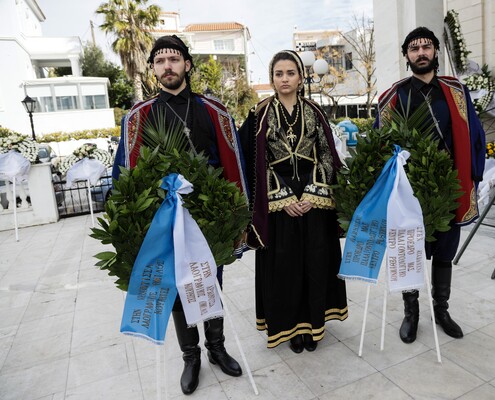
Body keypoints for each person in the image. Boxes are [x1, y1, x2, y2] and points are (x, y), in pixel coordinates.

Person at [112, 35, 247, 395]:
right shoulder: (138, 118)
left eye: (174, 59)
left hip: (208, 220)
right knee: (175, 291)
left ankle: (216, 347)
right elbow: (125, 177)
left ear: (187, 65)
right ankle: (191, 356)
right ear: (153, 69)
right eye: (159, 61)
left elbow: (235, 168)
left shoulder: (213, 111)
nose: (167, 66)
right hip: (163, 222)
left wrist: (237, 219)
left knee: (209, 283)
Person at [376, 27, 486, 344]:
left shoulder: (456, 92)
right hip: (410, 193)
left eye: (426, 47)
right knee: (409, 253)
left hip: (449, 188)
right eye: (414, 48)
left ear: (436, 52)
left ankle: (442, 310)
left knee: (444, 254)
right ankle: (412, 314)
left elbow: (475, 136)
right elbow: (382, 146)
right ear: (406, 55)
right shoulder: (393, 97)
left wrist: (474, 175)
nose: (421, 52)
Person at [239, 50, 348, 353]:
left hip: (314, 203)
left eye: (290, 73)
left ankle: (314, 324)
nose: (284, 79)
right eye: (278, 74)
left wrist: (313, 193)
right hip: (277, 206)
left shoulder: (314, 111)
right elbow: (252, 161)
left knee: (313, 263)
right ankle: (290, 329)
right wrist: (282, 196)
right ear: (271, 79)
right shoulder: (258, 114)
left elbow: (327, 154)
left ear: (301, 77)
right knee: (285, 269)